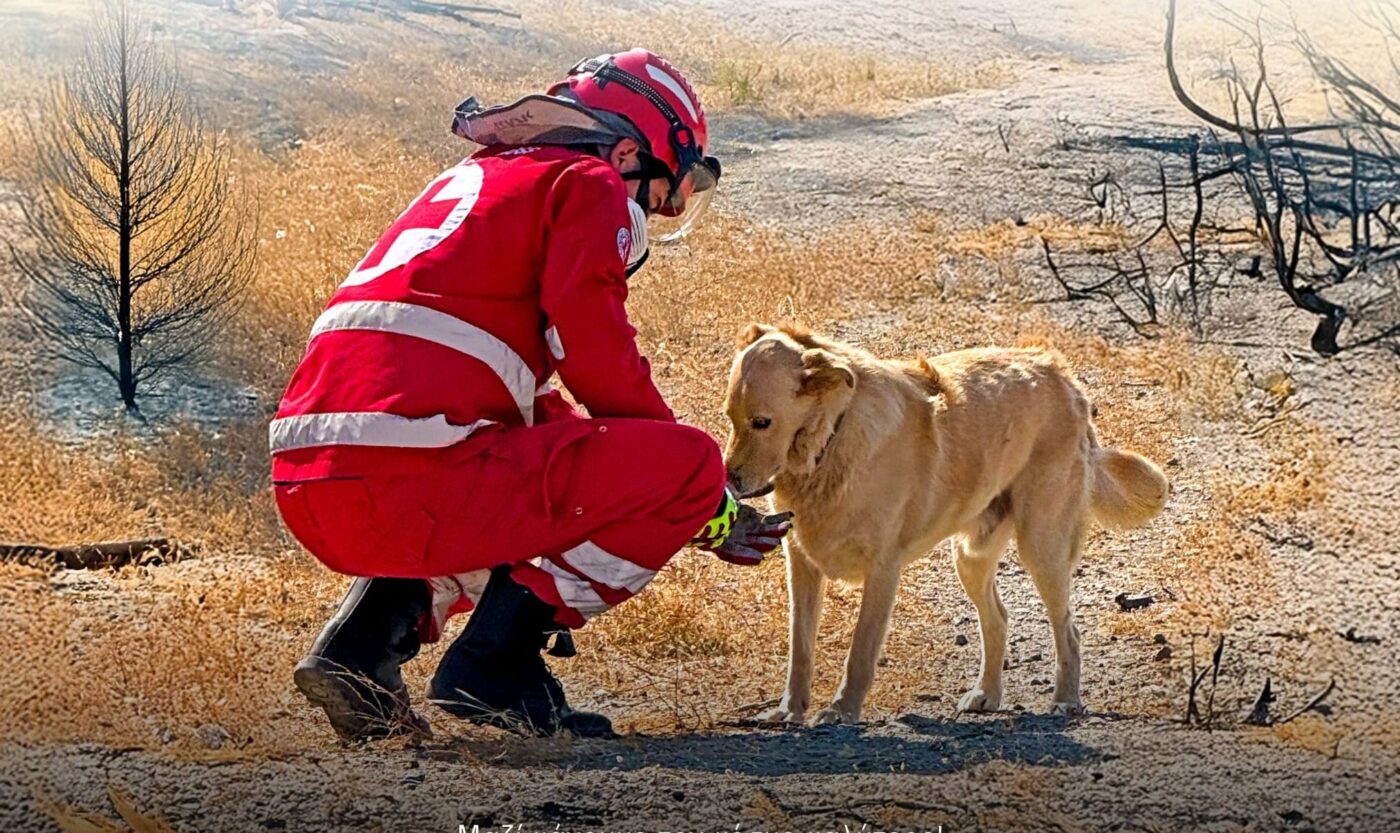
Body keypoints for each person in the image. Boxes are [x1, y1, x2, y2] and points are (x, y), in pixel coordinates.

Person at [270, 49, 792, 742]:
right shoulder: (589, 181)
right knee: (688, 461)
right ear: (629, 151)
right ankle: (496, 662)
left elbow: (518, 408)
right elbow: (598, 356)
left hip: (309, 484)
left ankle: (357, 651)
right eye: (668, 189)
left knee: (508, 459)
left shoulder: (475, 178)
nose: (663, 210)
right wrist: (701, 498)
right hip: (413, 478)